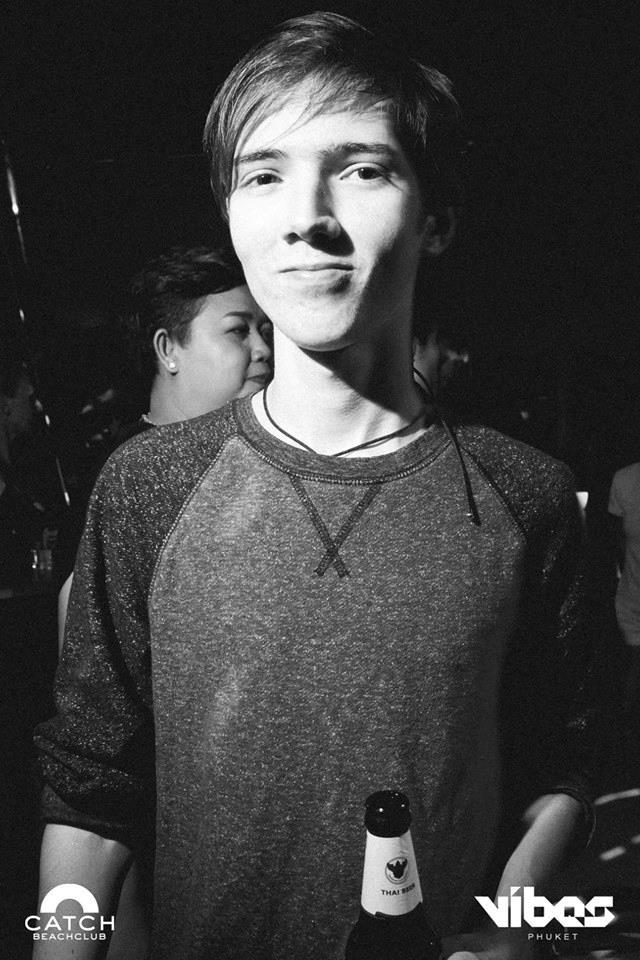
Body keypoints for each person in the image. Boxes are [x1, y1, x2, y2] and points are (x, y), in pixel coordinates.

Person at [34, 14, 599, 960]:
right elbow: (89, 796)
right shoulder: (147, 486)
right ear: (232, 216)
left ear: (437, 217)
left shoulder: (526, 496)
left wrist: (523, 925)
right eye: (263, 175)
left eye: (363, 168)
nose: (308, 215)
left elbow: (565, 763)